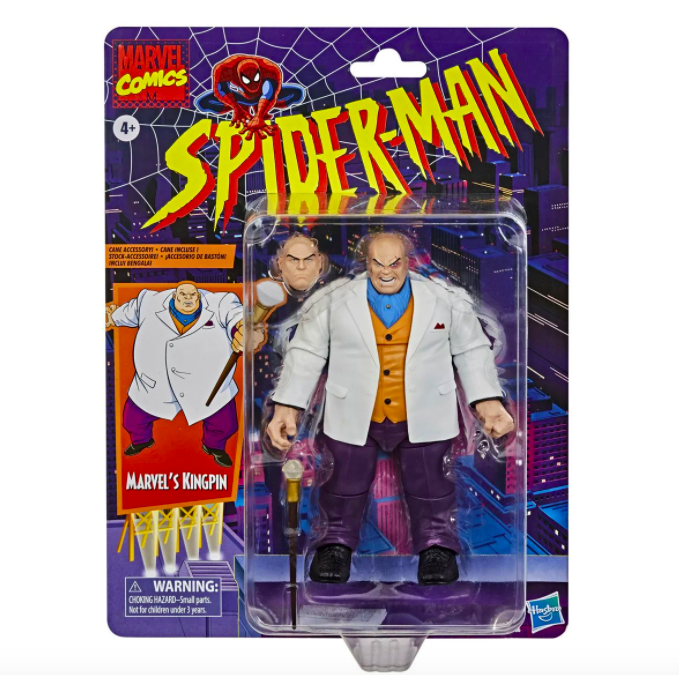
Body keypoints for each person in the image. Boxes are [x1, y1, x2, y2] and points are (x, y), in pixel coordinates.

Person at [267, 233, 514, 584]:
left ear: (407, 262)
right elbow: (306, 352)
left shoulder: (444, 300)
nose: (386, 272)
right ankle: (335, 543)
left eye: (394, 263)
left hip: (425, 410)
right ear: (366, 263)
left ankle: (437, 546)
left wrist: (488, 402)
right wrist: (286, 408)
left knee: (432, 484)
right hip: (354, 410)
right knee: (343, 481)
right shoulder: (333, 301)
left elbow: (472, 349)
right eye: (378, 264)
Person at [106, 282, 264, 468]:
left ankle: (214, 447)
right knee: (133, 419)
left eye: (193, 295)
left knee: (224, 424)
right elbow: (127, 313)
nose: (188, 298)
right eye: (183, 295)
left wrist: (243, 330)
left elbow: (236, 315)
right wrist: (111, 317)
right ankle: (141, 441)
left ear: (199, 297)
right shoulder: (148, 301)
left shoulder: (221, 302)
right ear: (174, 296)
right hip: (155, 385)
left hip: (210, 386)